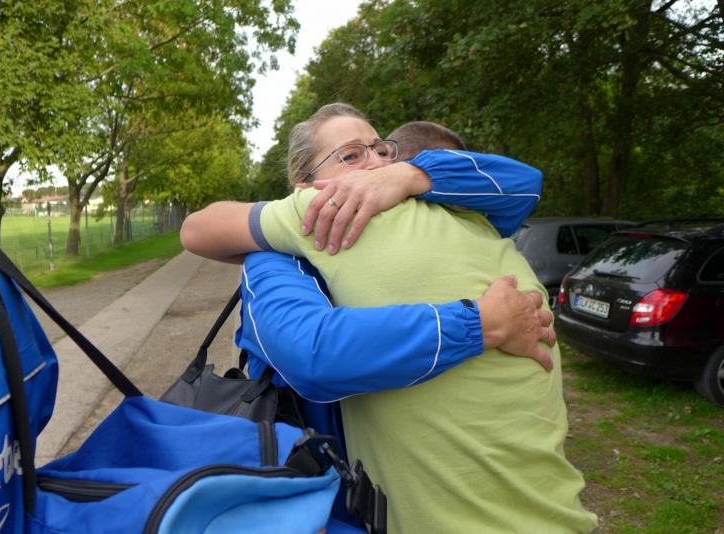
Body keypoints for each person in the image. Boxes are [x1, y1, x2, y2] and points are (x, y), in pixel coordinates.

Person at [182, 104, 597, 532]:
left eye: (381, 150)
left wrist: (412, 176)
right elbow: (311, 351)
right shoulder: (316, 211)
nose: (376, 165)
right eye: (351, 155)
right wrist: (479, 324)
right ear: (306, 186)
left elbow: (524, 183)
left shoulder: (457, 210)